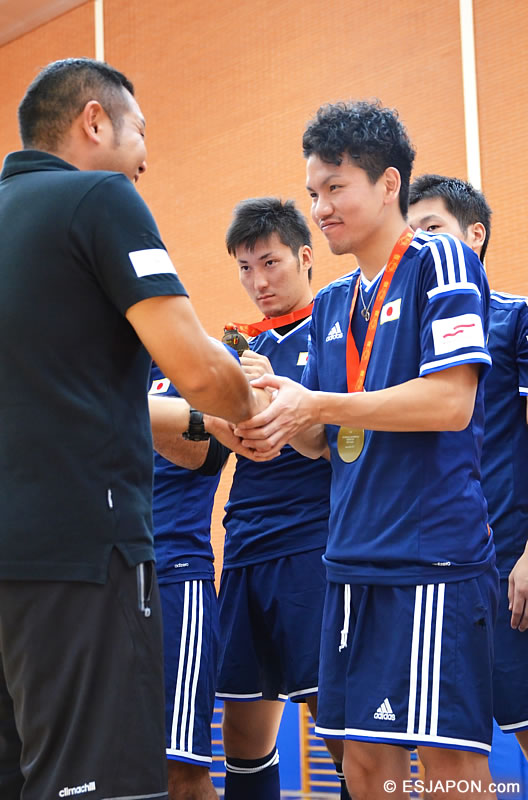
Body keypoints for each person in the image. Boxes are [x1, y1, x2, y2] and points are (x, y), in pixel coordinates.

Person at [0, 58, 266, 800]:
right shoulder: (100, 197)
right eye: (141, 132)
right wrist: (256, 406)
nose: (146, 156)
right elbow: (201, 372)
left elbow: (64, 390)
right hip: (82, 559)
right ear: (94, 120)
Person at [236, 102, 499, 800]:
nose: (320, 208)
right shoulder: (332, 303)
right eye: (312, 192)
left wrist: (319, 405)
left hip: (430, 559)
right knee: (362, 766)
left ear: (388, 185)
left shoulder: (440, 260)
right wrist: (272, 410)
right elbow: (326, 442)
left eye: (335, 187)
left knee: (450, 770)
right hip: (348, 563)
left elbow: (450, 403)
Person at [209, 197, 350, 800]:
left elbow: (342, 442)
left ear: (305, 256)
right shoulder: (236, 350)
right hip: (244, 542)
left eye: (270, 263)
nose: (258, 281)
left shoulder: (338, 326)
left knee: (339, 728)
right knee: (241, 737)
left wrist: (280, 400)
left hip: (313, 543)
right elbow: (216, 440)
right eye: (245, 268)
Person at [408, 174, 528, 758]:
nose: (420, 246)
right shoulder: (406, 338)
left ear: (474, 235)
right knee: (447, 754)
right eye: (411, 235)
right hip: (438, 573)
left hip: (512, 569)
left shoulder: (515, 319)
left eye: (432, 229)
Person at [148, 360, 233, 800]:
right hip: (94, 585)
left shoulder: (200, 360)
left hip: (173, 578)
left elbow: (210, 454)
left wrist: (111, 405)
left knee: (179, 774)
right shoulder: (87, 362)